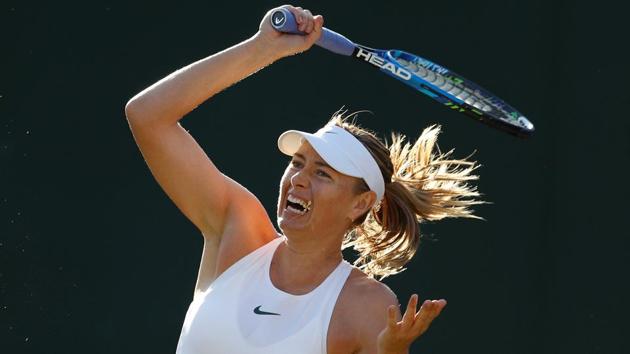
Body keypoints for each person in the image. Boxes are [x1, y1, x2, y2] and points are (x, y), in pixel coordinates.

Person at [125, 5, 482, 354]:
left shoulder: (366, 304)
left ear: (360, 203)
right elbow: (147, 115)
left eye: (322, 173)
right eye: (298, 162)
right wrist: (262, 48)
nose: (298, 178)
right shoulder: (237, 227)